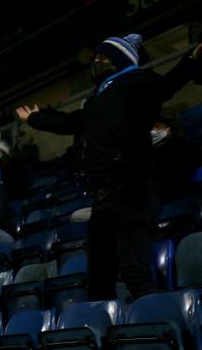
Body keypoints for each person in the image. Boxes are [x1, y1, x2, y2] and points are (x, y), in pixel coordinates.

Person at [18, 35, 202, 300]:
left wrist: (191, 60)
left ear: (120, 60)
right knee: (98, 278)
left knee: (133, 270)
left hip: (134, 190)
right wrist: (34, 118)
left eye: (104, 57)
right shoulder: (98, 99)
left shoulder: (137, 81)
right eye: (96, 58)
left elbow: (167, 85)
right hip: (104, 196)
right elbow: (69, 122)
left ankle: (151, 323)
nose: (97, 62)